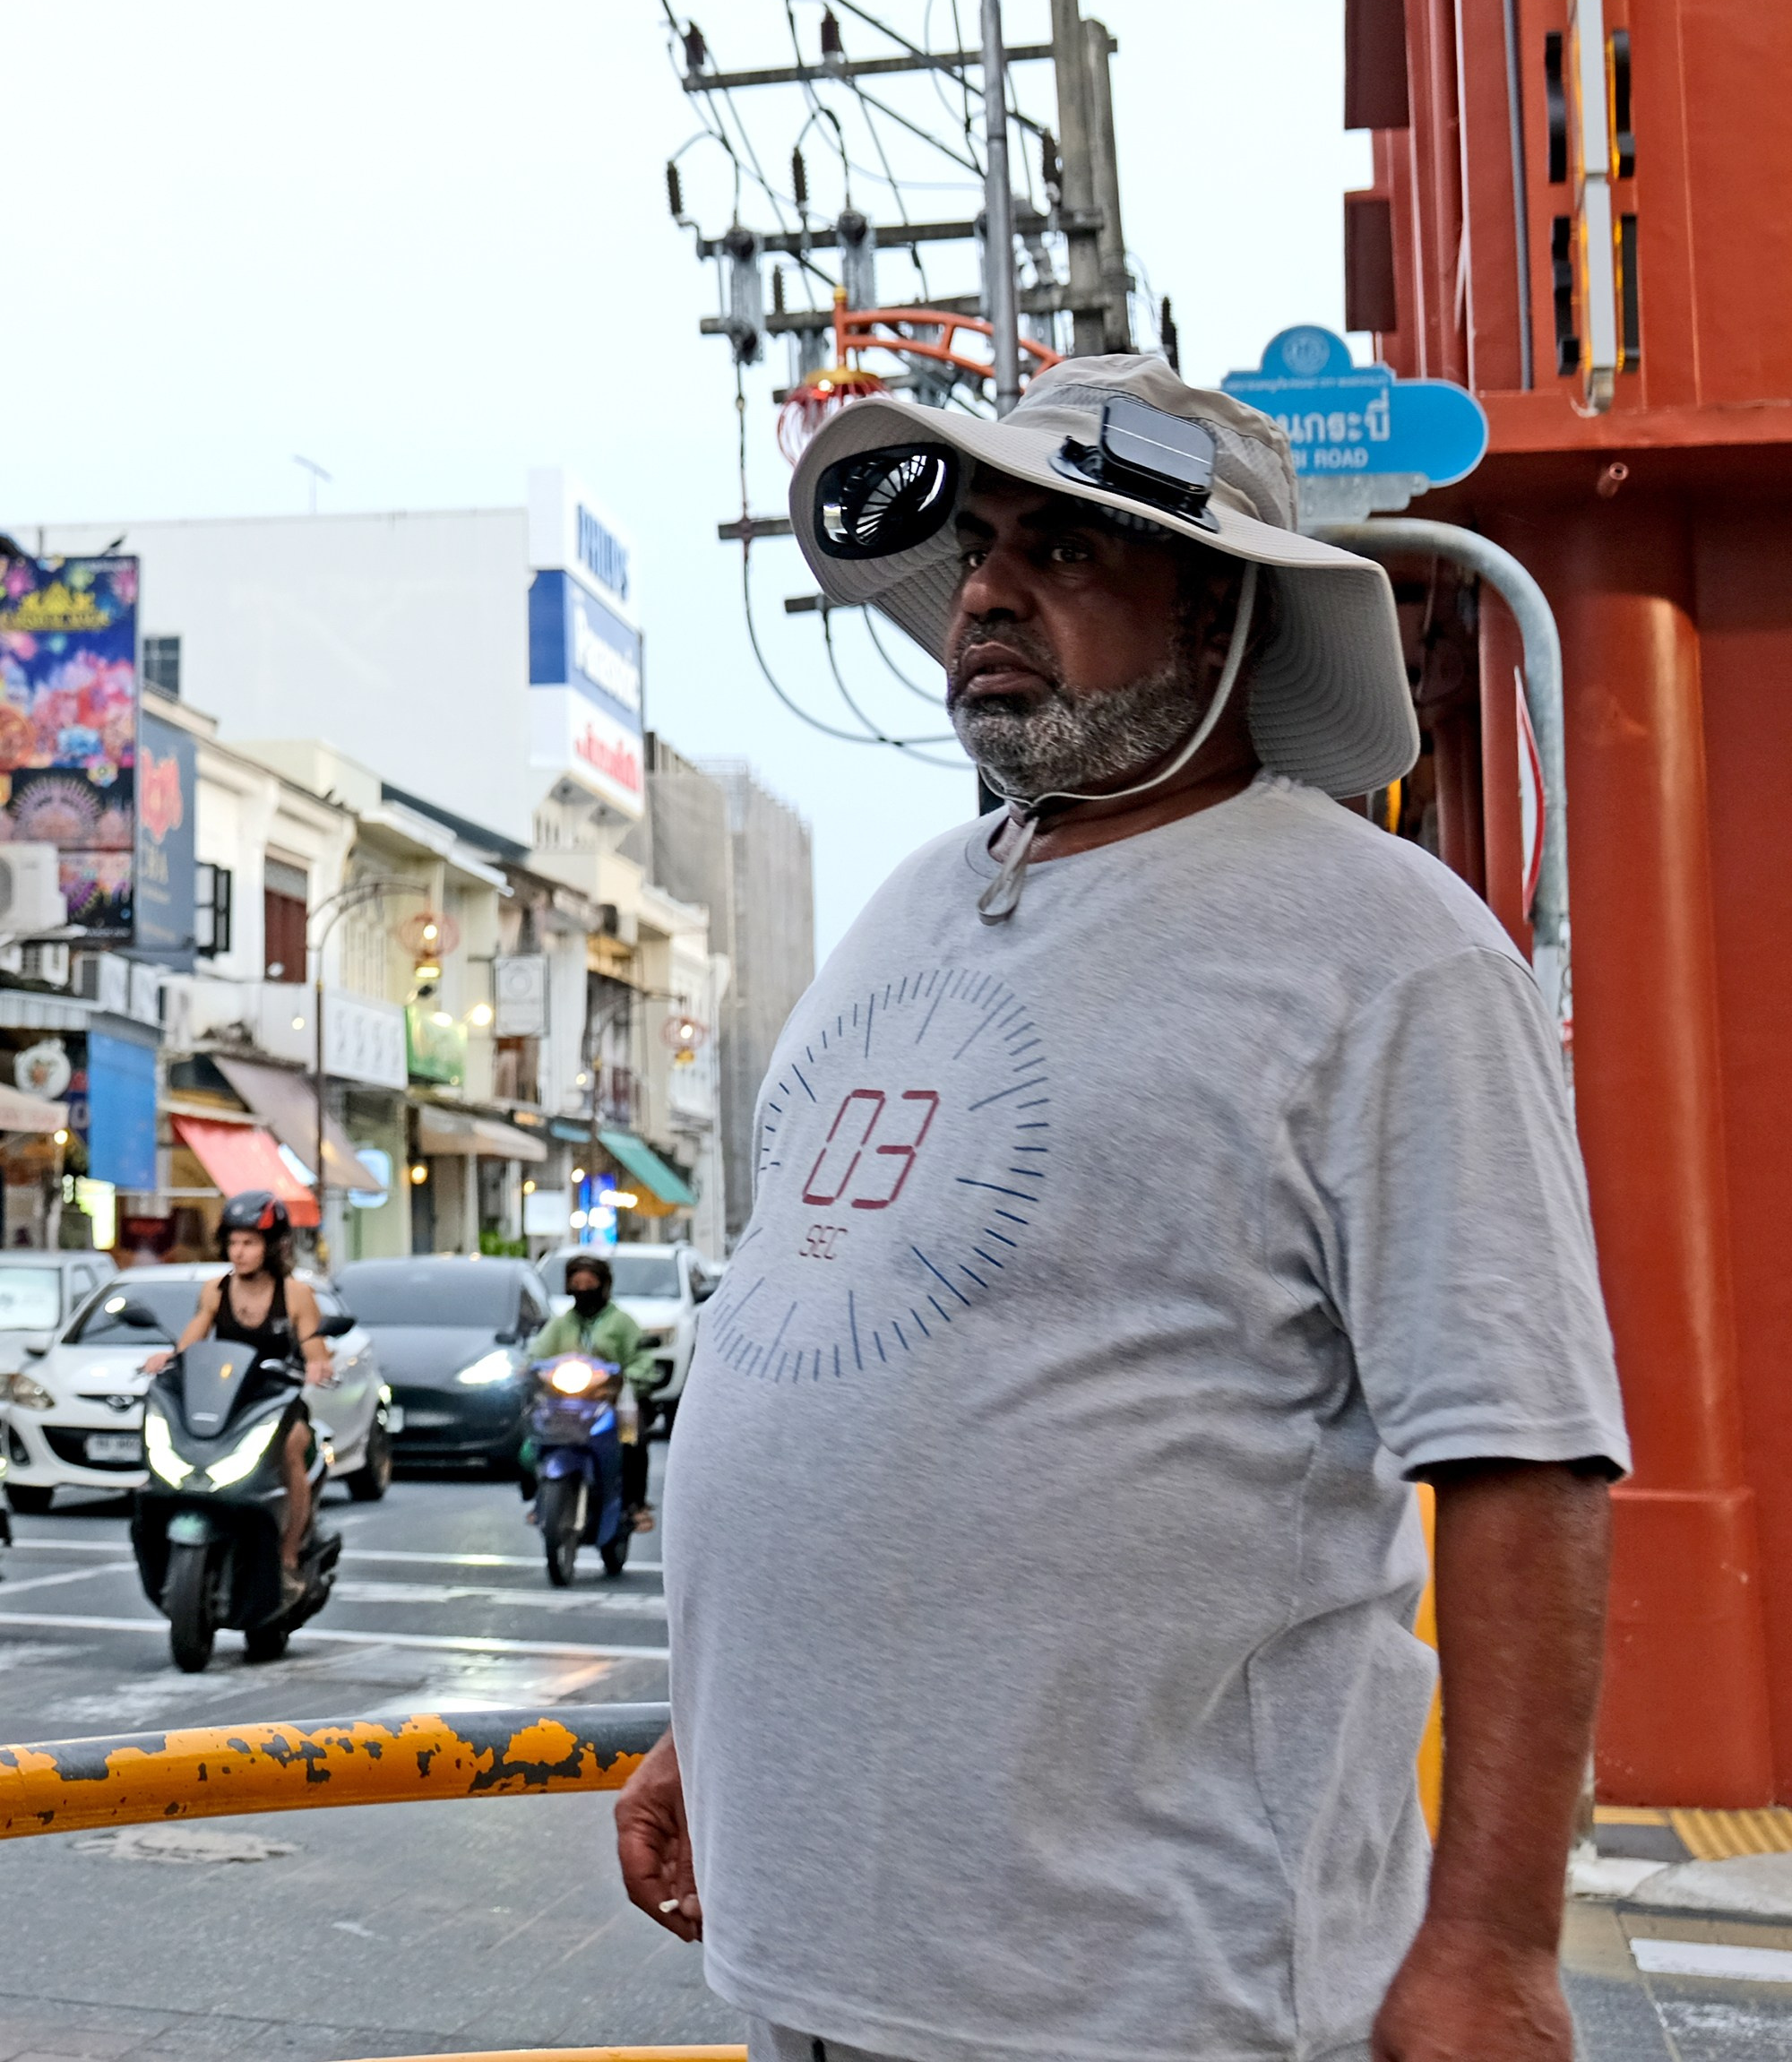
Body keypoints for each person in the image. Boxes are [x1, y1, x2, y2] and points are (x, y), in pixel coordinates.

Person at [617, 355, 1630, 2062]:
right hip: (815, 1959)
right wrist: (715, 1733)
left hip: (1156, 1994)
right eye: (980, 545)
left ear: (1224, 613)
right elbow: (823, 1343)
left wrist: (1496, 1947)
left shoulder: (1387, 952)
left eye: (1068, 550)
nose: (991, 588)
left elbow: (1524, 1455)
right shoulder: (908, 907)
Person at [144, 1191, 332, 1600]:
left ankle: (286, 1555)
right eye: (233, 1242)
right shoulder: (215, 1290)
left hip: (277, 1402)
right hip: (228, 1400)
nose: (239, 1252)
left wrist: (317, 1363)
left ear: (273, 1246)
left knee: (293, 1449)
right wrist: (169, 1358)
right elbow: (192, 1339)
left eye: (249, 1243)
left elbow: (315, 1347)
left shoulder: (296, 1295)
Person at [529, 1255, 660, 1529]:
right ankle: (540, 1499)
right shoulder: (562, 1323)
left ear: (603, 1286)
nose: (583, 1289)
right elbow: (538, 1353)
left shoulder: (621, 1322)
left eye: (589, 1283)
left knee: (631, 1438)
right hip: (567, 1405)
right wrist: (527, 1369)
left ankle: (634, 1504)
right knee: (531, 1437)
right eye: (576, 1283)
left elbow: (640, 1359)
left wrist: (632, 1377)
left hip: (614, 1402)